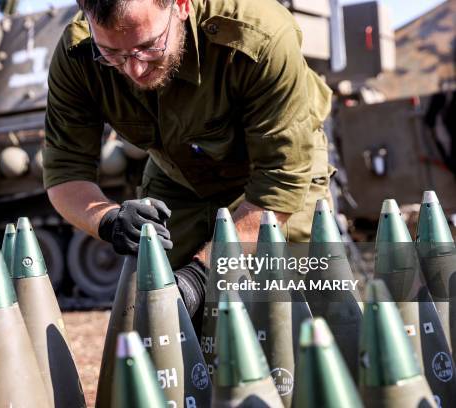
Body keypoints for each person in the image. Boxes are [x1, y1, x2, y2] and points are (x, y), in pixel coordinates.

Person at [43, 0, 333, 324]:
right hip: (177, 174)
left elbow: (280, 181)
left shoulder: (261, 34)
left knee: (291, 315)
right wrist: (109, 220)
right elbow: (65, 172)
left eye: (148, 47)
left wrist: (201, 275)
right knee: (169, 318)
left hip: (276, 171)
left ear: (180, 5)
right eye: (112, 54)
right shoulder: (77, 53)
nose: (134, 70)